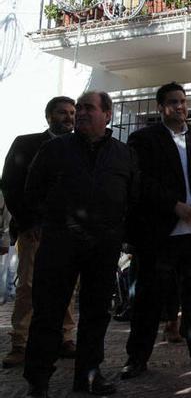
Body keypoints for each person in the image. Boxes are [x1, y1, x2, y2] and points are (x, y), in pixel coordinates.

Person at [23, 92, 139, 397]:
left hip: (103, 246)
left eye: (89, 108)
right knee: (48, 312)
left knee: (96, 313)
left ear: (108, 115)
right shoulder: (54, 150)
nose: (81, 114)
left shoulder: (123, 154)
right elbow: (32, 190)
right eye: (79, 108)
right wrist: (37, 224)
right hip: (60, 243)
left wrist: (123, 235)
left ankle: (89, 375)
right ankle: (39, 380)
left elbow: (133, 198)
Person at [120, 82, 191, 379]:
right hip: (160, 233)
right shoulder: (143, 139)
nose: (179, 107)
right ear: (161, 107)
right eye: (172, 102)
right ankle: (137, 357)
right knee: (149, 298)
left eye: (183, 101)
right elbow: (140, 181)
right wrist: (175, 206)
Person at [0, 96, 78, 368]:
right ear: (48, 117)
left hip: (68, 231)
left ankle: (65, 338)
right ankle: (20, 342)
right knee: (29, 286)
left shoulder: (79, 148)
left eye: (72, 112)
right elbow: (10, 184)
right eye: (62, 112)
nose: (68, 117)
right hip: (35, 230)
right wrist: (27, 221)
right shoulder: (26, 143)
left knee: (67, 286)